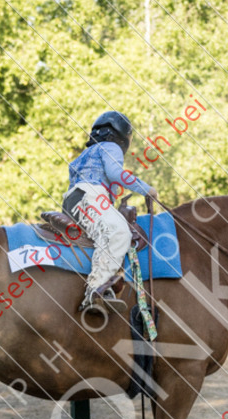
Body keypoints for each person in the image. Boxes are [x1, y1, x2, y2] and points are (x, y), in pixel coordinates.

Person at [64, 111, 159, 314]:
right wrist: (147, 189)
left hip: (73, 199)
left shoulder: (85, 154)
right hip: (91, 196)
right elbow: (116, 174)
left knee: (102, 234)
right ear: (123, 137)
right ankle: (95, 291)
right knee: (118, 232)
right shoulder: (111, 147)